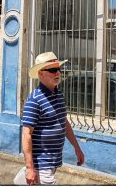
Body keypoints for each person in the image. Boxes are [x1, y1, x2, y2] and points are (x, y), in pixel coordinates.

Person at [21, 52, 84, 185]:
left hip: (53, 162)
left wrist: (77, 148)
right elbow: (26, 134)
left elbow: (64, 123)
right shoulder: (34, 100)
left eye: (58, 69)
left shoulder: (58, 95)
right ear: (40, 73)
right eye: (52, 70)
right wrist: (30, 168)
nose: (58, 73)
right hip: (41, 165)